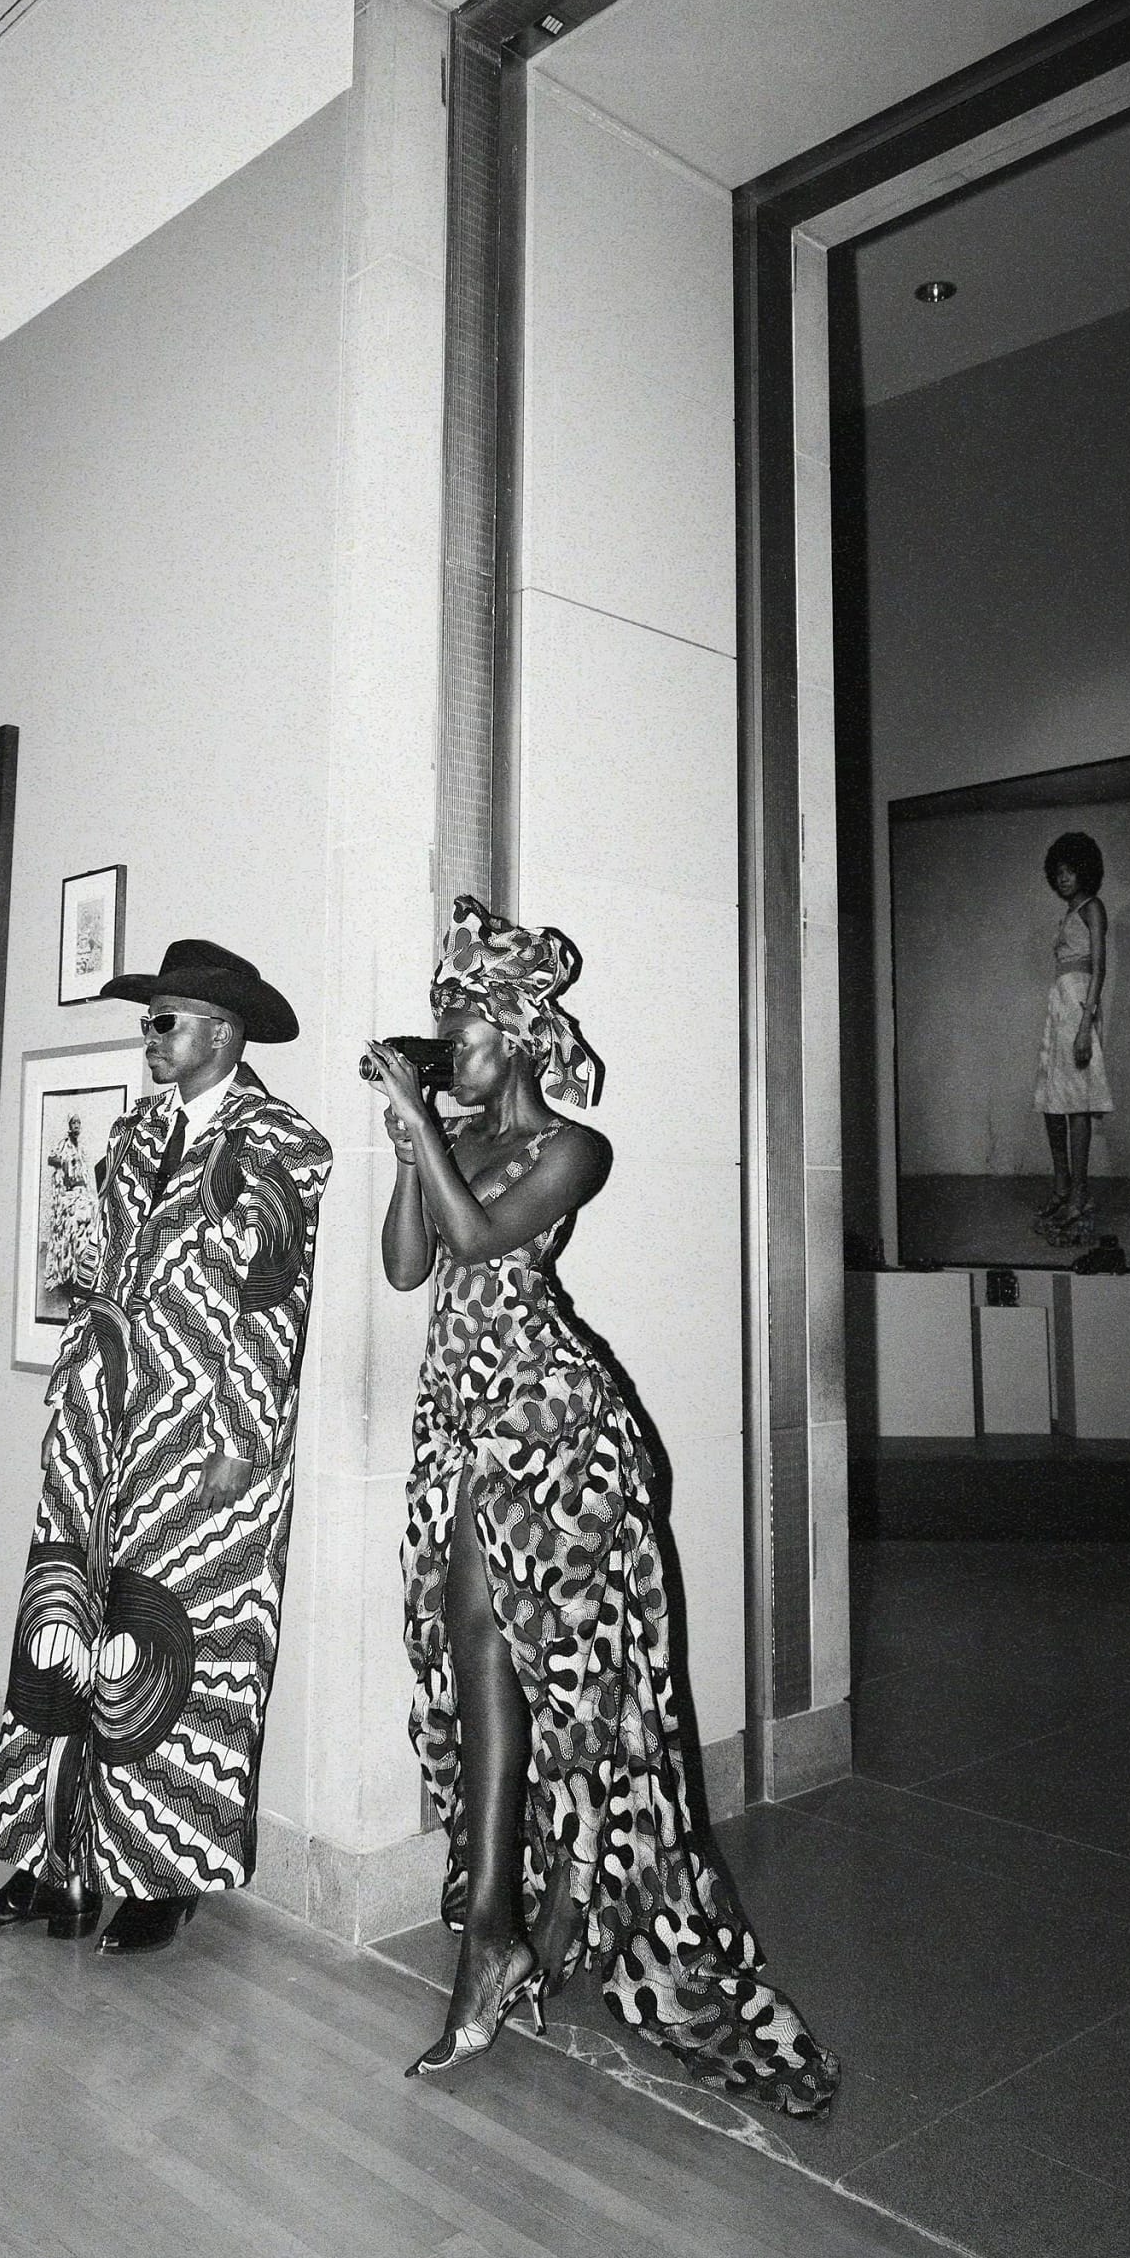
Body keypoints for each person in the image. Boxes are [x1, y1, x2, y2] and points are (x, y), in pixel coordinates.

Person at [367, 894, 839, 2117]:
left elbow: (477, 1240)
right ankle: (501, 1924)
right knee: (477, 1659)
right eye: (440, 1023)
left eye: (461, 1021)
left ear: (519, 1031)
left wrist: (425, 1121)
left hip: (554, 1434)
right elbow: (409, 1261)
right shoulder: (452, 1135)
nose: (445, 1040)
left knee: (551, 1681)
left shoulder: (575, 1146)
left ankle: (504, 1928)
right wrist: (407, 1139)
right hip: (465, 1426)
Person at [0, 939, 330, 1956]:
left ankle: (161, 1879)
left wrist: (238, 1449)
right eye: (151, 1018)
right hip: (98, 1424)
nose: (150, 1036)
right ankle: (48, 1867)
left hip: (203, 1440)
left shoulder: (282, 1143)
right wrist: (77, 1385)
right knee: (61, 1627)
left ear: (224, 1033)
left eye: (166, 1021)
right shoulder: (129, 1135)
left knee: (176, 1648)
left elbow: (271, 1308)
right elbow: (102, 1270)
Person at [1033, 831, 1112, 1234]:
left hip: (1080, 1006)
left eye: (1071, 870)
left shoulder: (1092, 908)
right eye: (1059, 872)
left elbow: (1099, 968)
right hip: (1059, 1006)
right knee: (1052, 1101)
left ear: (1086, 870)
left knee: (1077, 1103)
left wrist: (1085, 1028)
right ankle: (1061, 1187)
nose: (1065, 878)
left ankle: (1080, 1197)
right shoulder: (1067, 913)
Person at [41, 1111, 102, 1301]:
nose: (76, 1126)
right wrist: (65, 1163)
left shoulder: (81, 1146)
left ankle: (84, 1271)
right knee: (74, 1221)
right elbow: (51, 1159)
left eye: (79, 1123)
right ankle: (68, 1269)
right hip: (67, 1195)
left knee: (93, 1213)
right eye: (74, 1123)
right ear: (69, 1125)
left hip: (82, 1193)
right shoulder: (63, 1144)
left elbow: (85, 1172)